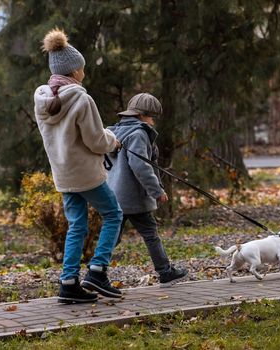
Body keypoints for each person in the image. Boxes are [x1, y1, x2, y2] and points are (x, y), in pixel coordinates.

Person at [34, 29, 123, 303]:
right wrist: (114, 141)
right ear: (75, 70)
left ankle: (69, 282)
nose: (84, 72)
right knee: (113, 215)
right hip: (86, 175)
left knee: (77, 226)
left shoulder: (41, 100)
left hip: (63, 174)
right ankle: (97, 270)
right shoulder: (82, 99)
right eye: (82, 68)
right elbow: (97, 140)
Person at [107, 93, 188, 287]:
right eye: (152, 117)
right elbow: (141, 166)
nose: (153, 122)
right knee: (150, 234)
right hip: (133, 196)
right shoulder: (139, 134)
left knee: (111, 237)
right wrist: (156, 190)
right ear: (142, 115)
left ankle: (94, 273)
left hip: (112, 194)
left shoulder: (113, 133)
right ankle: (165, 272)